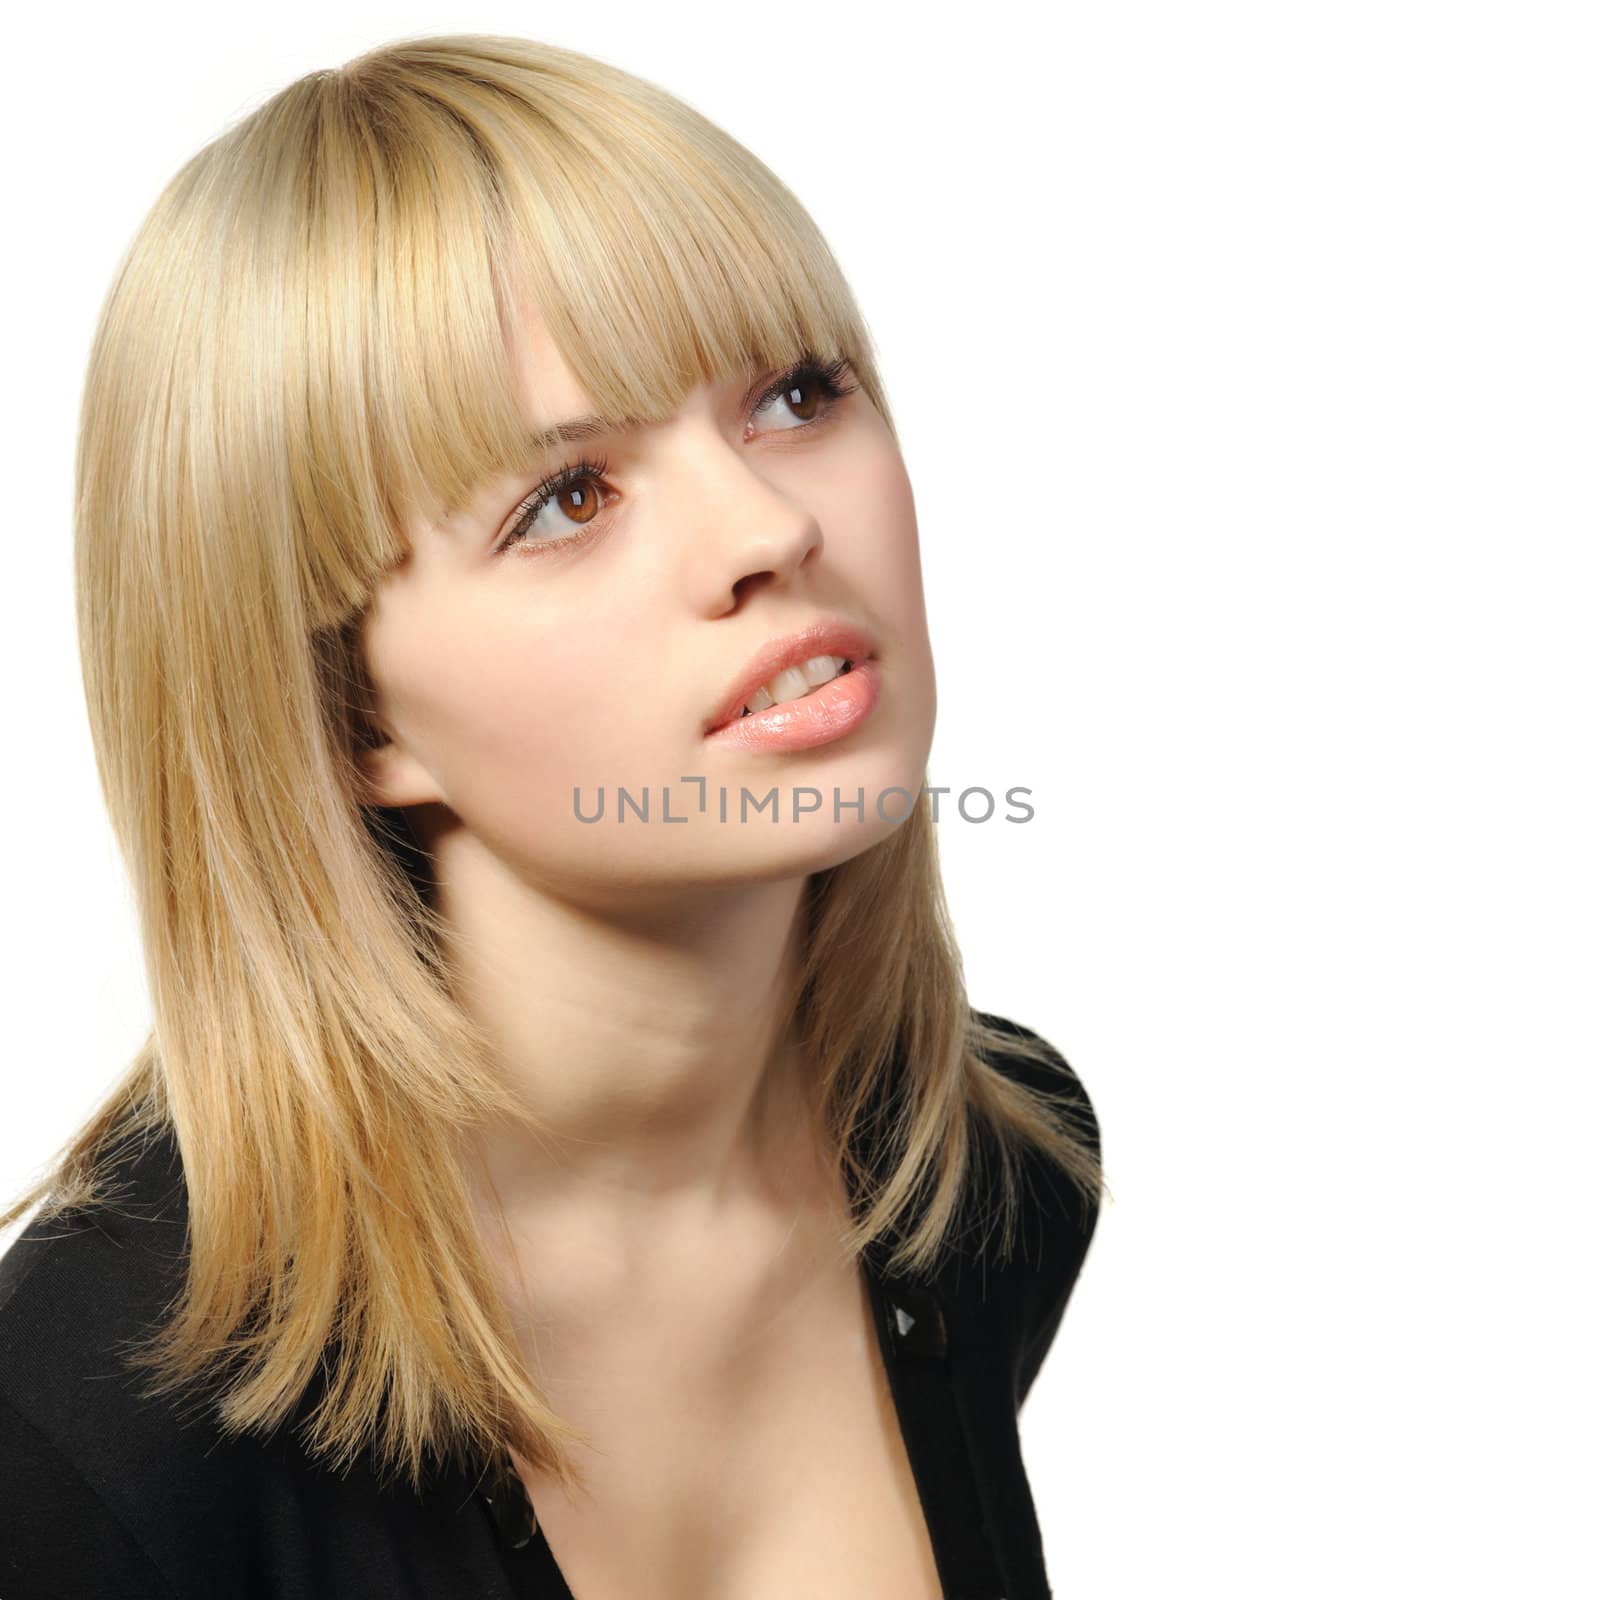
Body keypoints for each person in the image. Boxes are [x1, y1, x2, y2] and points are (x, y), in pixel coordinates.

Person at [0, 32, 1105, 1600]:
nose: (770, 526)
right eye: (567, 500)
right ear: (353, 714)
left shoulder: (988, 1181)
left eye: (796, 392)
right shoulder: (91, 1434)